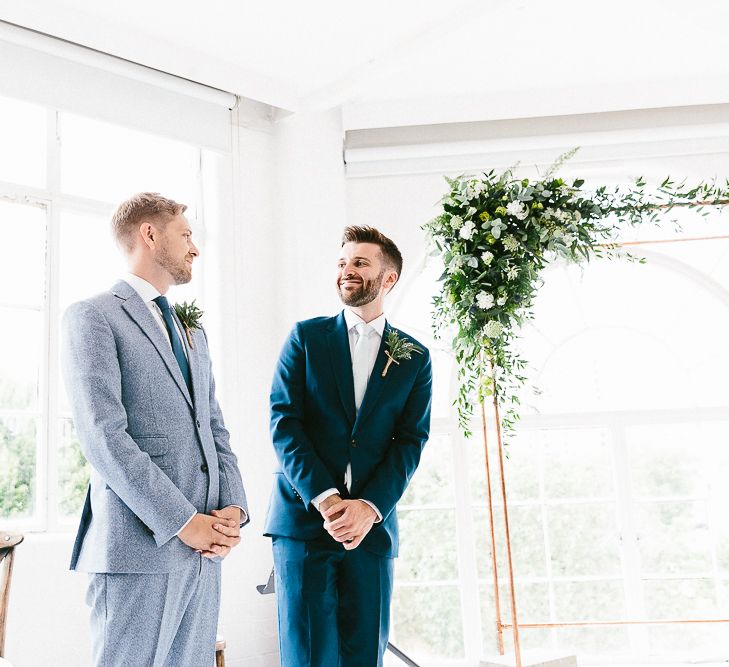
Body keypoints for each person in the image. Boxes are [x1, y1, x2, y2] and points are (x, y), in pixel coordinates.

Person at [62, 192, 248, 667]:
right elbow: (104, 437)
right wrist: (184, 523)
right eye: (186, 235)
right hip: (137, 550)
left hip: (205, 552)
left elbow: (214, 427)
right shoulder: (94, 316)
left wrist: (231, 510)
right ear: (150, 234)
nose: (195, 248)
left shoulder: (192, 331)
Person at [265, 225, 432, 666]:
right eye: (342, 263)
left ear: (388, 278)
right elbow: (285, 423)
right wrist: (327, 500)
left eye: (360, 262)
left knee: (364, 655)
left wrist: (368, 507)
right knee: (307, 656)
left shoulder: (414, 356)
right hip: (303, 524)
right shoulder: (305, 338)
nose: (347, 271)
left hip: (372, 530)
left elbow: (410, 441)